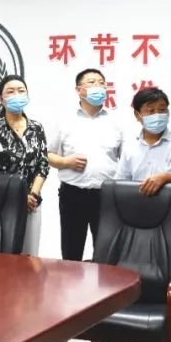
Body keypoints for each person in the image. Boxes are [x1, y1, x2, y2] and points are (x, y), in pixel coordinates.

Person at [112, 87, 171, 342]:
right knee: (140, 282)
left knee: (170, 285)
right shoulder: (130, 146)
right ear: (138, 115)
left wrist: (165, 178)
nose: (158, 115)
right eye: (150, 111)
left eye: (162, 109)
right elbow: (120, 183)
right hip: (137, 225)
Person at [46, 69, 123, 262]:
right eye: (92, 82)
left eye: (101, 83)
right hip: (73, 194)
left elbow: (126, 159)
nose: (98, 86)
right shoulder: (64, 120)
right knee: (71, 253)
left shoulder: (117, 121)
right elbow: (46, 154)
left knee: (107, 254)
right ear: (79, 90)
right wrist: (66, 162)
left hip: (107, 196)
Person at [0, 75, 49, 256]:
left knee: (30, 256)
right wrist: (18, 197)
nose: (16, 95)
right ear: (1, 99)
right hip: (4, 202)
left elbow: (43, 165)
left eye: (21, 91)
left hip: (32, 203)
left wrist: (32, 194)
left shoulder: (37, 128)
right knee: (5, 257)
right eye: (10, 92)